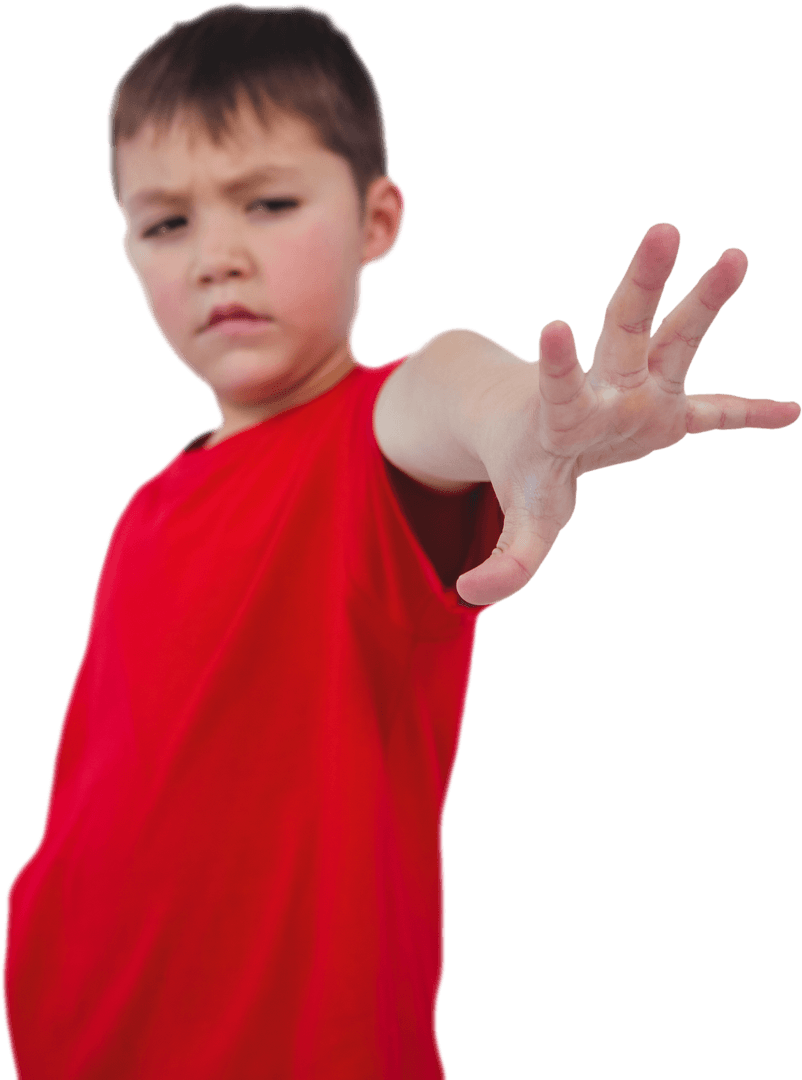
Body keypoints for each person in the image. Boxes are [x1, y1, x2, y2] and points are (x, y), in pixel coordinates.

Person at [2, 4, 798, 1078]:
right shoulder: (143, 506)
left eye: (270, 202)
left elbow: (448, 385)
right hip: (79, 1039)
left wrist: (527, 418)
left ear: (380, 219)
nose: (215, 257)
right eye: (164, 223)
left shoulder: (367, 444)